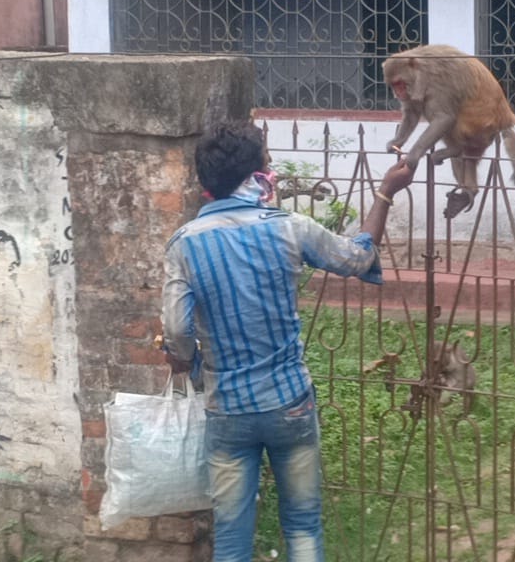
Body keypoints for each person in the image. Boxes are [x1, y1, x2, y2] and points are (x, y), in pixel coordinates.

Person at [161, 121, 415, 562]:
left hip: (227, 408)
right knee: (301, 526)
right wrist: (386, 192)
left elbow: (178, 332)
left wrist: (186, 362)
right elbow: (358, 257)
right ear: (256, 174)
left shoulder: (184, 245)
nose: (271, 169)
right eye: (267, 162)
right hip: (290, 403)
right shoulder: (290, 228)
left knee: (232, 536)